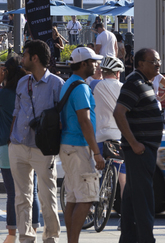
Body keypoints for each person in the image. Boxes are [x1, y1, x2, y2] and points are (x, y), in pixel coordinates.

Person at [9, 39, 64, 243]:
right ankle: (25, 237)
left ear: (34, 58)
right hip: (18, 144)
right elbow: (16, 111)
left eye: (24, 55)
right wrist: (10, 140)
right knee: (21, 196)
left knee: (47, 195)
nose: (21, 59)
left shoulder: (56, 84)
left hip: (43, 148)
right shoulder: (23, 82)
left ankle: (51, 236)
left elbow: (63, 117)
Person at [113, 48, 164, 243]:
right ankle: (146, 239)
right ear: (140, 64)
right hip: (140, 151)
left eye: (158, 61)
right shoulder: (134, 82)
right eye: (153, 61)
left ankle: (128, 238)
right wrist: (133, 143)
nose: (158, 64)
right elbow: (119, 112)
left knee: (132, 197)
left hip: (145, 149)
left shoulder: (145, 83)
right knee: (144, 199)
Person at [0, 57, 35, 243]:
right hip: (29, 142)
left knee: (12, 193)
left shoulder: (5, 93)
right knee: (32, 191)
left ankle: (12, 234)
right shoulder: (28, 90)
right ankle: (33, 229)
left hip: (7, 144)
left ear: (6, 72)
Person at [59, 47, 106, 243]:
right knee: (86, 199)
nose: (97, 65)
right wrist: (96, 152)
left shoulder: (69, 83)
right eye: (93, 61)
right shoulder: (81, 88)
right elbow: (84, 121)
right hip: (79, 147)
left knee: (73, 198)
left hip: (68, 146)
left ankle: (72, 240)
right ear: (84, 64)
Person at [94, 56, 127, 200]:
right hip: (119, 137)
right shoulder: (124, 88)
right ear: (118, 73)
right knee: (123, 180)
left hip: (99, 136)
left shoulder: (96, 85)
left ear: (103, 71)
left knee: (96, 172)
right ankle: (125, 211)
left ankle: (94, 203)